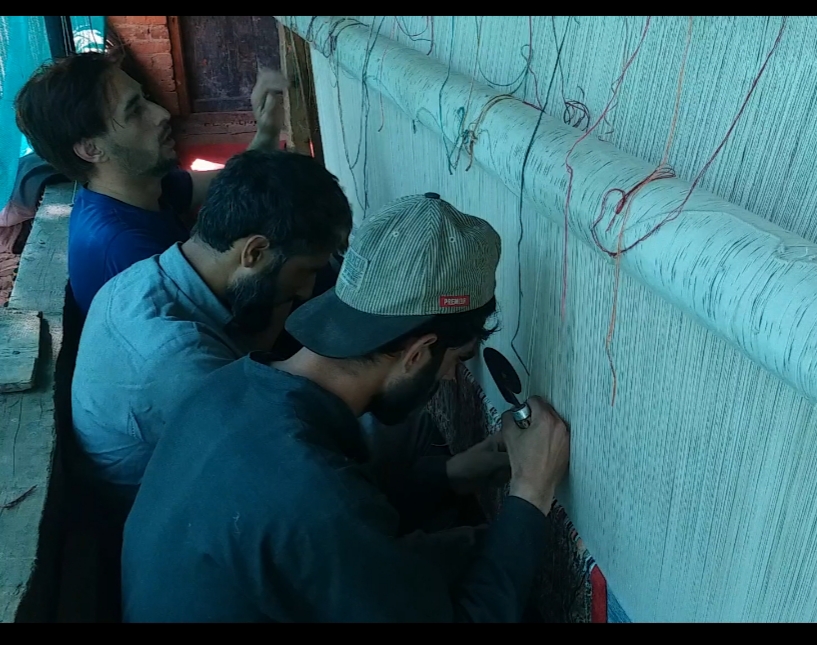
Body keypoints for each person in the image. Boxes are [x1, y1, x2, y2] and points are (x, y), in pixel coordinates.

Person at [121, 192, 571, 622]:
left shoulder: (225, 389)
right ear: (418, 353)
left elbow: (321, 527)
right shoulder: (313, 498)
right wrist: (531, 492)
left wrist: (453, 474)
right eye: (454, 361)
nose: (451, 379)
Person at [70, 149, 352, 512]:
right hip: (164, 520)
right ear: (253, 252)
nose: (305, 290)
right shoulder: (178, 359)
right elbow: (284, 477)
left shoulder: (142, 278)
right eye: (305, 271)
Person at [14, 52, 286, 315]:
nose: (161, 113)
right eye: (134, 111)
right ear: (91, 149)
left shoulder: (140, 186)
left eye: (144, 98)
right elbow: (223, 343)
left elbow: (231, 182)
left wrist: (267, 130)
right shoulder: (128, 250)